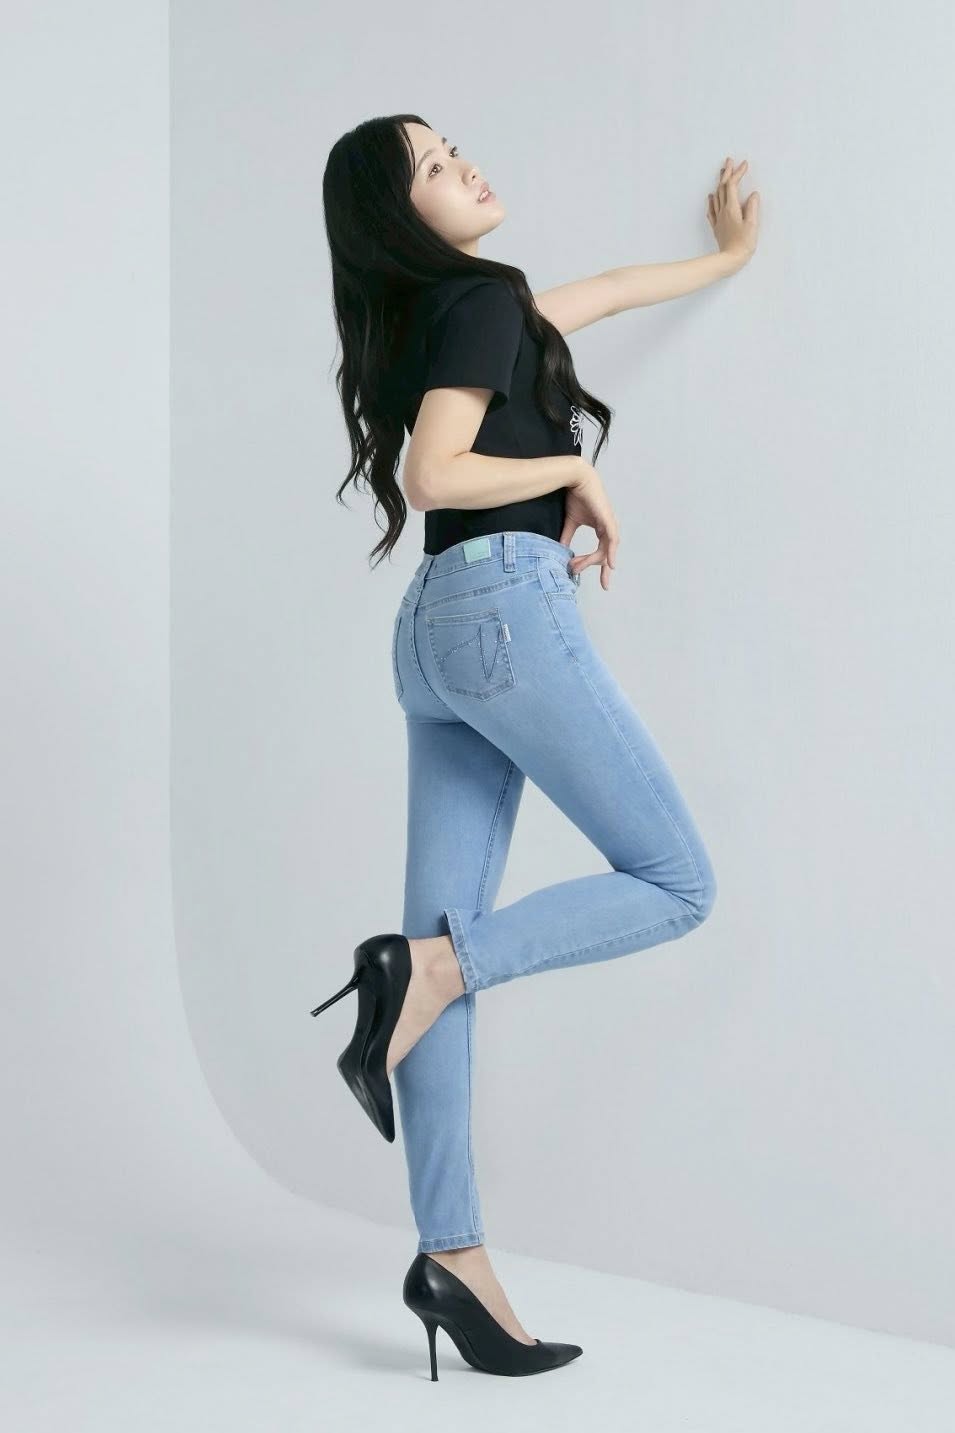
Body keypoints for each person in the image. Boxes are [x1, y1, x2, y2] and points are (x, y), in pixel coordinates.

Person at [313, 115, 759, 1379]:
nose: (465, 165)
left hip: (436, 634)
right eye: (434, 167)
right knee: (675, 882)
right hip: (503, 606)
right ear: (403, 217)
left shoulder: (452, 317)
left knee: (436, 969)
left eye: (453, 146)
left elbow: (604, 292)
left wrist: (722, 260)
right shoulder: (474, 300)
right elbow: (432, 472)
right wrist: (575, 465)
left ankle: (450, 1256)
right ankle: (424, 968)